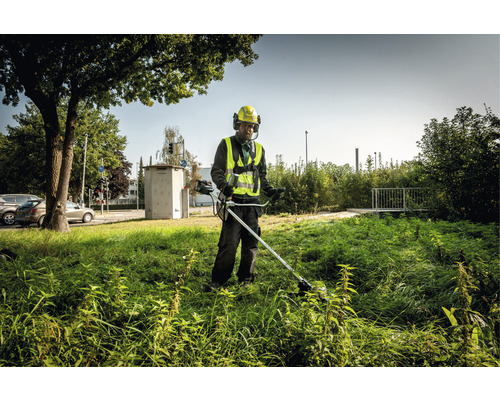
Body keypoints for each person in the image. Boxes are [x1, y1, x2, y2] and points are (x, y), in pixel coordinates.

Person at [206, 105, 283, 291]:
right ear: (237, 125)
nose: (249, 129)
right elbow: (216, 172)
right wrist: (225, 187)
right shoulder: (225, 144)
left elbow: (261, 176)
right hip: (233, 202)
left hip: (253, 204)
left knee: (251, 244)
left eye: (252, 126)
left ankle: (245, 279)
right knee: (229, 244)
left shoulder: (259, 149)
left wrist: (269, 190)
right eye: (245, 125)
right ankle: (218, 281)